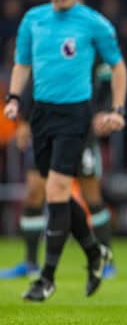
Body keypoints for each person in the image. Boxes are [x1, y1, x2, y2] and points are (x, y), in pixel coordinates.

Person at [3, 0, 127, 301]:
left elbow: (118, 68)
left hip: (76, 115)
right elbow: (22, 64)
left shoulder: (94, 24)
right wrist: (14, 98)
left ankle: (46, 277)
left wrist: (117, 109)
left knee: (57, 189)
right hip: (41, 113)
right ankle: (94, 253)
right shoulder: (34, 19)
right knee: (53, 192)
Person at [0, 63, 118, 280]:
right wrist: (24, 121)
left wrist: (104, 112)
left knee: (92, 196)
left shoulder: (91, 42)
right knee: (34, 193)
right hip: (47, 131)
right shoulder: (45, 44)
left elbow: (107, 82)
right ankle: (30, 263)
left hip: (82, 132)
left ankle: (106, 260)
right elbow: (32, 84)